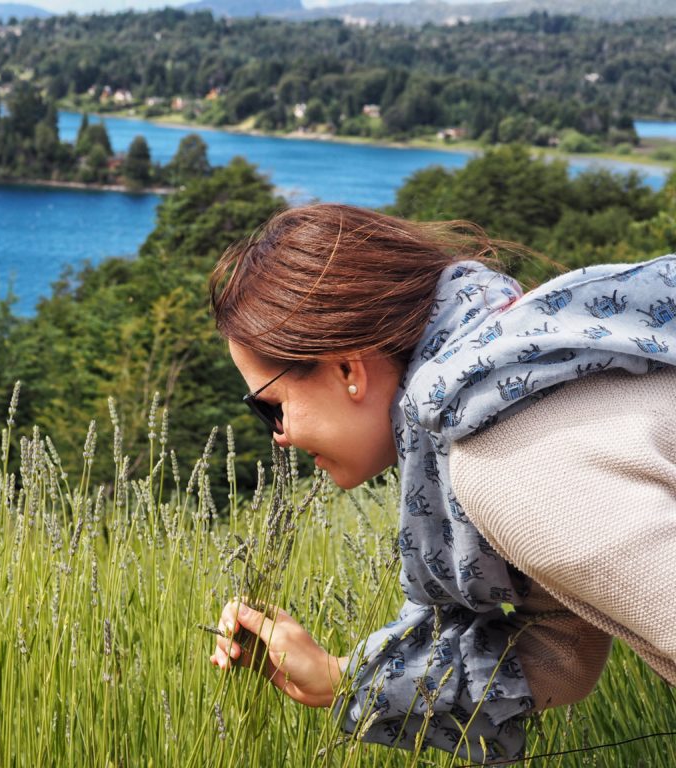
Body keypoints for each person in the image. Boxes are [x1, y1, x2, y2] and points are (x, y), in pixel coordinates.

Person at [205, 203, 676, 763]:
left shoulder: (506, 465)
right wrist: (340, 679)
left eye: (271, 408)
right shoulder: (508, 390)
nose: (278, 437)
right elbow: (563, 647)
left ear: (348, 369)